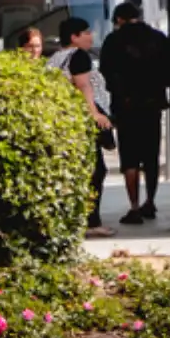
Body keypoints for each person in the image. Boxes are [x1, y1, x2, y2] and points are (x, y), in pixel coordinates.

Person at [101, 2, 170, 225]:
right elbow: (169, 70)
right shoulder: (158, 38)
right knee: (151, 157)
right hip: (152, 106)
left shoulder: (113, 41)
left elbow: (106, 73)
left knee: (129, 159)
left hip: (126, 108)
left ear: (119, 19)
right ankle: (150, 202)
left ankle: (134, 207)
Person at [52, 18, 113, 237]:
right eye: (86, 33)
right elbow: (84, 86)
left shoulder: (56, 58)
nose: (91, 37)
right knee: (96, 171)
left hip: (66, 122)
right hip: (83, 124)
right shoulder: (79, 56)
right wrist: (95, 114)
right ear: (73, 37)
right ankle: (91, 221)